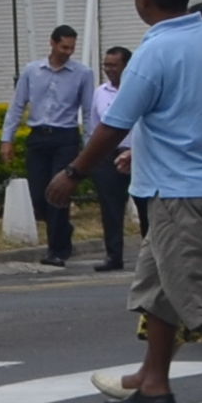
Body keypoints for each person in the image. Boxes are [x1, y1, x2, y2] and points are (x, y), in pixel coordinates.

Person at [50, 0, 202, 403]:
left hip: (181, 190)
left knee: (199, 290)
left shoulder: (156, 51)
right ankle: (154, 385)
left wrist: (72, 173)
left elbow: (115, 123)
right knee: (157, 288)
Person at [1, 24, 97, 267]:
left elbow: (87, 111)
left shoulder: (83, 73)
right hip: (38, 137)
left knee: (58, 192)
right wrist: (7, 138)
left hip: (65, 137)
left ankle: (56, 250)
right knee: (39, 195)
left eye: (72, 48)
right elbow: (17, 105)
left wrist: (89, 145)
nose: (67, 52)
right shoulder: (32, 71)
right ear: (52, 43)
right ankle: (63, 230)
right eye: (64, 47)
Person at [90, 46, 135, 273]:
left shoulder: (137, 89)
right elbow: (94, 126)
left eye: (113, 66)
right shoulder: (100, 92)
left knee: (147, 207)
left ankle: (154, 258)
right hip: (108, 155)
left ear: (126, 66)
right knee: (110, 208)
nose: (109, 70)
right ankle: (113, 256)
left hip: (137, 154)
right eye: (106, 65)